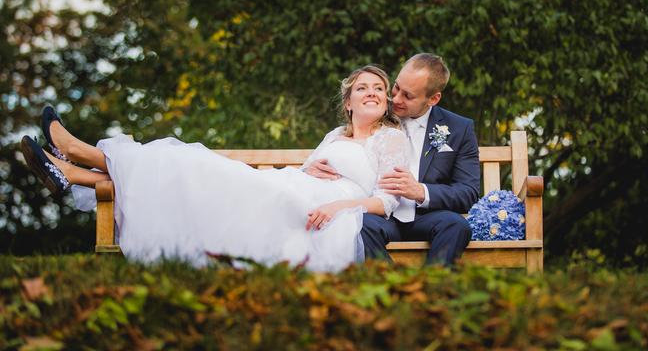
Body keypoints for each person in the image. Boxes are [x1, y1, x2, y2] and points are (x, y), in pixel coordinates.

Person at [20, 65, 411, 272]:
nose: (372, 92)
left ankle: (77, 159)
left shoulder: (390, 138)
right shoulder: (335, 135)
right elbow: (308, 169)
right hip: (295, 188)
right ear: (348, 103)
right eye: (362, 87)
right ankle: (77, 168)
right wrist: (311, 171)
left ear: (385, 103)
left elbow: (388, 201)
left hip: (325, 210)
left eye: (379, 88)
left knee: (196, 165)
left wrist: (338, 207)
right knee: (191, 167)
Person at [304, 54, 481, 265]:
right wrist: (312, 170)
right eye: (396, 88)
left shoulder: (458, 128)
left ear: (433, 99)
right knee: (360, 224)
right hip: (378, 215)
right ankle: (391, 283)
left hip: (426, 217)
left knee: (456, 225)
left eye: (408, 96)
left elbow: (468, 192)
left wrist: (421, 191)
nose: (395, 99)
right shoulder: (374, 110)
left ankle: (434, 282)